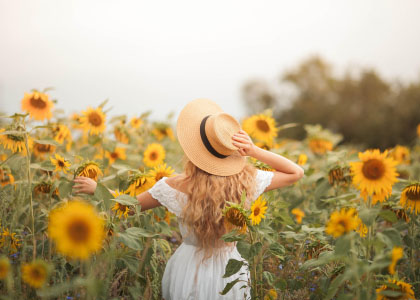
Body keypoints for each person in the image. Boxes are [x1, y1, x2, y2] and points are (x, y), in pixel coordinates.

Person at [73, 99, 304, 299]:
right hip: (230, 272)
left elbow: (128, 207)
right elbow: (296, 172)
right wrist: (254, 150)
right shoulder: (247, 182)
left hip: (189, 269)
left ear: (193, 150)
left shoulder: (174, 186)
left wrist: (97, 189)